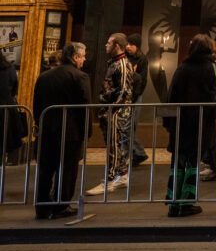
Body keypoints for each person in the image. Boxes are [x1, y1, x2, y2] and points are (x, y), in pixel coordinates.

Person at [162, 34, 216, 217]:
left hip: (180, 121)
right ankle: (187, 201)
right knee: (193, 161)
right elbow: (214, 96)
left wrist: (168, 123)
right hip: (200, 121)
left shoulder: (182, 68)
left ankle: (173, 202)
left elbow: (171, 96)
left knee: (178, 162)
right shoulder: (212, 67)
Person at [32, 42, 90, 220]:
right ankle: (60, 205)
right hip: (70, 131)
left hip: (47, 128)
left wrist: (39, 125)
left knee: (45, 169)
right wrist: (86, 133)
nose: (84, 59)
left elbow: (37, 104)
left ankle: (41, 206)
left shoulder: (44, 77)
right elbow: (85, 107)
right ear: (74, 57)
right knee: (67, 169)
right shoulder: (80, 77)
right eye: (82, 56)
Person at [86, 33, 134, 196]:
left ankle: (112, 178)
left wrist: (112, 108)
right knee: (115, 144)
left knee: (115, 145)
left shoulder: (122, 64)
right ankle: (121, 176)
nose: (106, 45)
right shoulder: (114, 63)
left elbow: (125, 91)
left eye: (109, 43)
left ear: (117, 46)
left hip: (117, 112)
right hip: (112, 110)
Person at [125, 33, 149, 168]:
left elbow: (143, 80)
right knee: (127, 126)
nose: (128, 46)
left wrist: (135, 96)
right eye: (127, 44)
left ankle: (138, 153)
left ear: (137, 46)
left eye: (131, 44)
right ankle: (136, 153)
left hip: (135, 96)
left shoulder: (142, 59)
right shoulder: (126, 57)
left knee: (130, 126)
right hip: (126, 96)